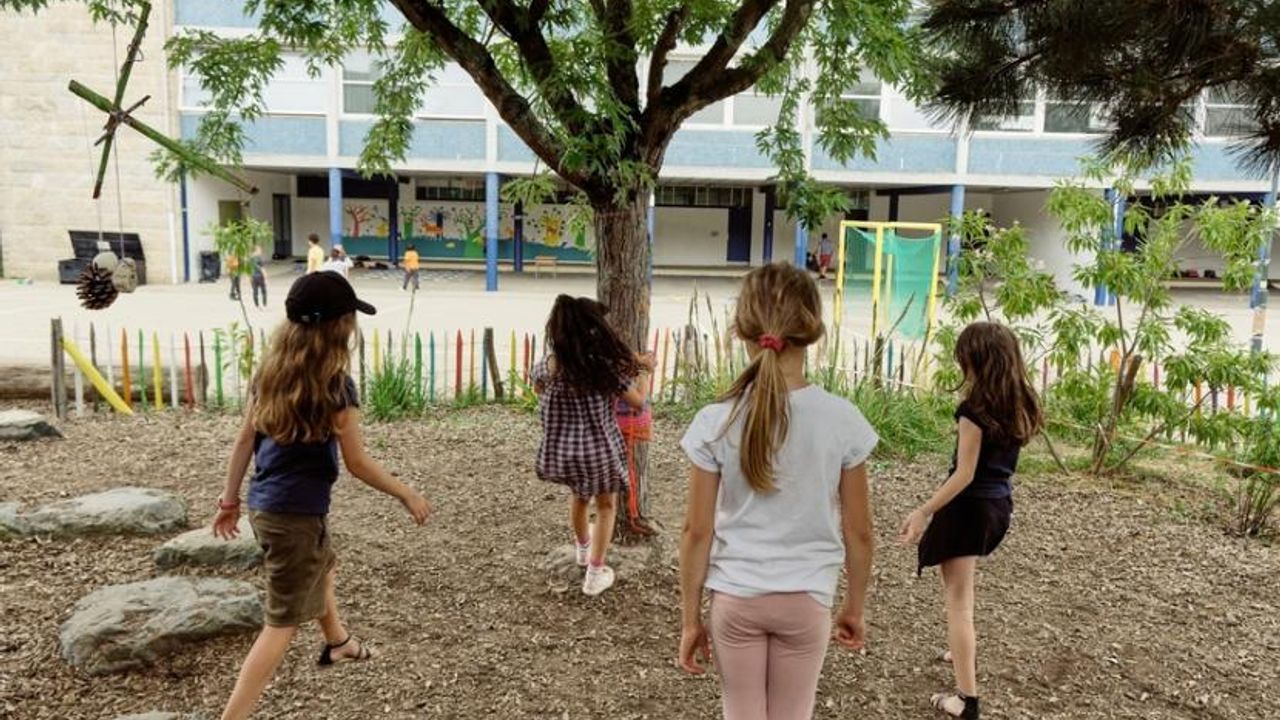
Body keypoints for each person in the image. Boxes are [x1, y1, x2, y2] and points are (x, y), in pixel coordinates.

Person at [211, 271, 431, 720]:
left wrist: (230, 501)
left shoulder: (269, 374)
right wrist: (405, 492)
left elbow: (243, 442)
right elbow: (358, 462)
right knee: (281, 623)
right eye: (350, 316)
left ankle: (338, 642)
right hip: (294, 517)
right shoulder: (336, 386)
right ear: (339, 326)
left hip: (267, 505)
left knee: (324, 566)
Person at [677, 263, 878, 720]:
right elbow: (861, 532)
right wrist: (854, 607)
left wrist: (690, 619)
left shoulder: (716, 421)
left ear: (741, 330)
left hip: (735, 599)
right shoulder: (842, 419)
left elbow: (696, 531)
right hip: (807, 600)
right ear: (813, 330)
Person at [898, 321, 1044, 720]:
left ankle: (966, 700)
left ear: (975, 362)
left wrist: (923, 511)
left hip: (968, 510)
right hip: (999, 507)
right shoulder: (1021, 402)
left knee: (957, 603)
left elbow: (963, 474)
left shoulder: (973, 411)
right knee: (965, 593)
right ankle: (961, 649)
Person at [532, 295, 652, 596]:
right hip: (598, 453)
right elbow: (638, 403)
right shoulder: (602, 370)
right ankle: (595, 574)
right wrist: (643, 372)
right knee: (606, 505)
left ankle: (583, 551)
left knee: (580, 498)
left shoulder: (547, 366)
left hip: (564, 454)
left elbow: (537, 389)